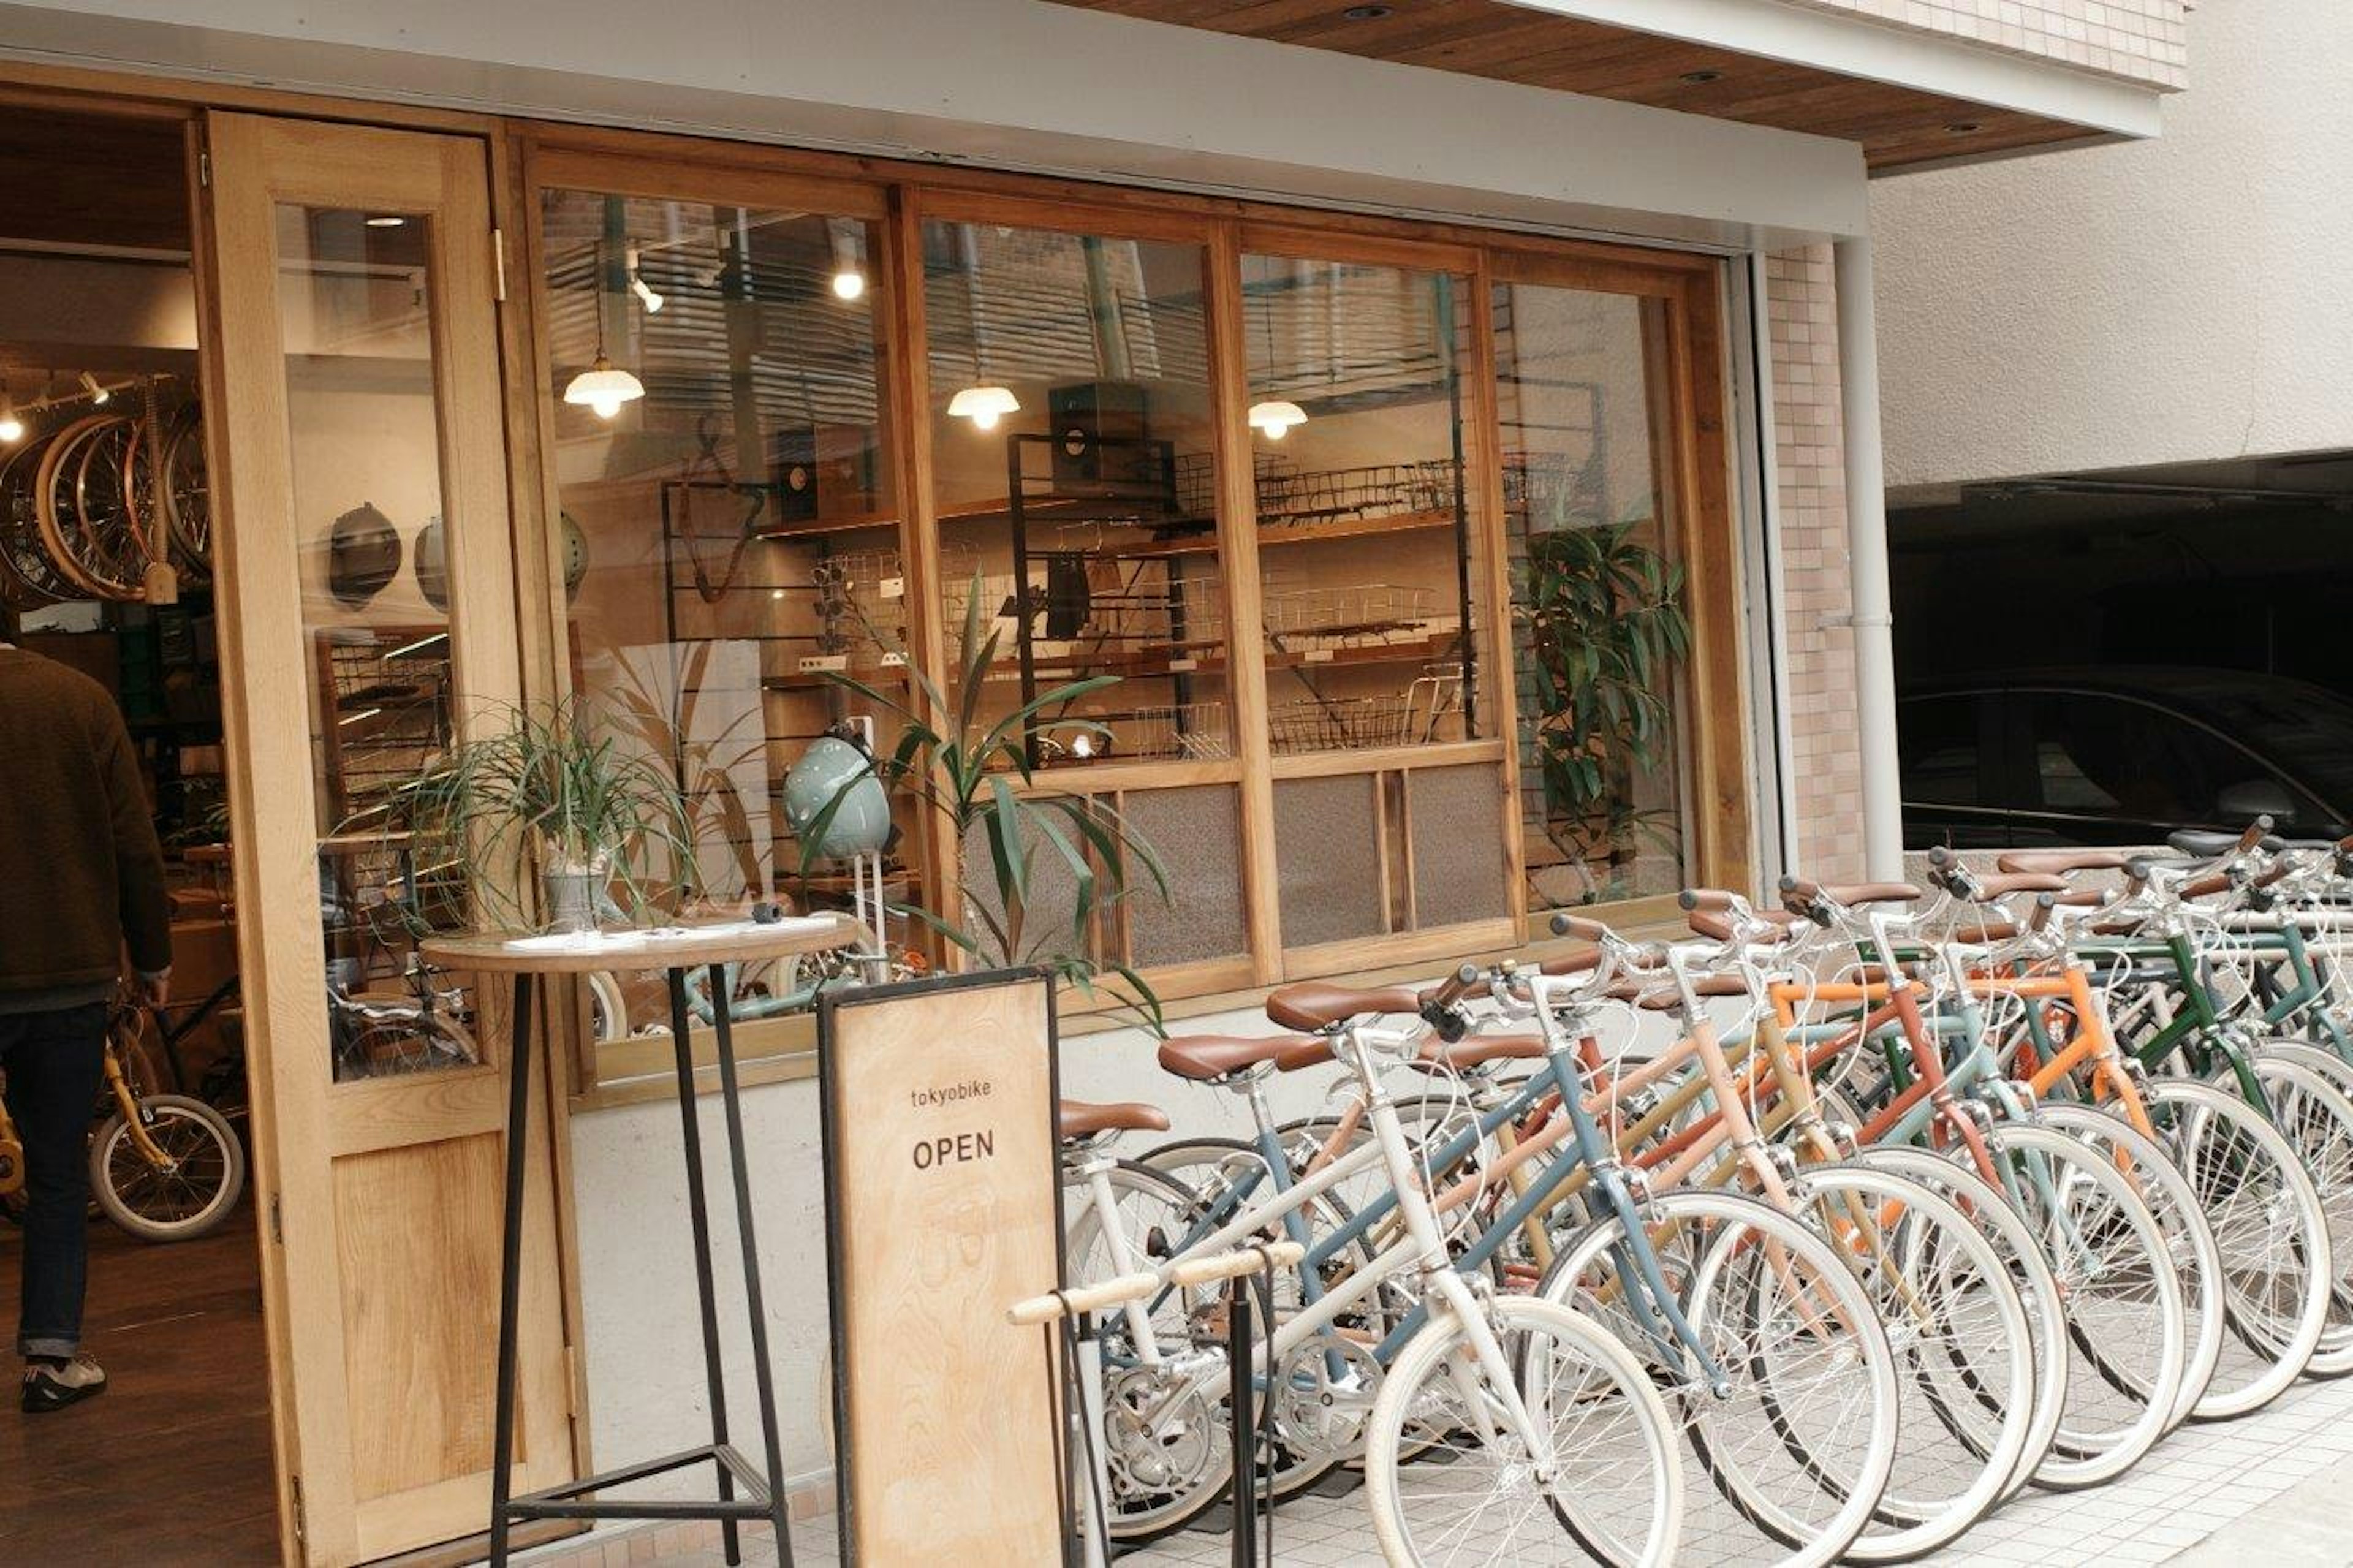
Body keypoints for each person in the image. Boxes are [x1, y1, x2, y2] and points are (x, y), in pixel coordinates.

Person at [0, 605, 172, 1414]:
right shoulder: (79, 700)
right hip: (69, 980)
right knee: (59, 1174)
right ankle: (51, 1359)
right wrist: (156, 954)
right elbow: (133, 842)